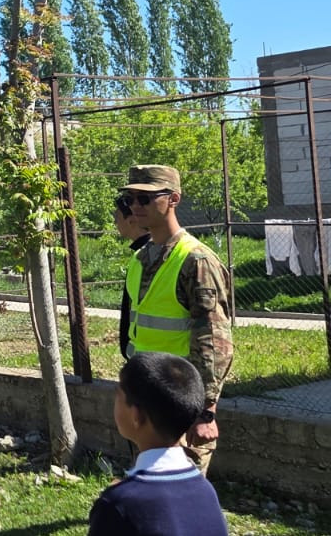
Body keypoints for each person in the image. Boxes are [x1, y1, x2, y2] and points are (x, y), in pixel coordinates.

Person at [119, 165, 233, 474]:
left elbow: (214, 340)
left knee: (181, 497)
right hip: (145, 395)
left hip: (181, 399)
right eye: (130, 199)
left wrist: (206, 411)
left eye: (145, 199)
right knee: (148, 489)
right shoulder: (140, 258)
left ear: (173, 199)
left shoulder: (196, 260)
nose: (134, 207)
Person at [87, 352, 228, 536]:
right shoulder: (206, 491)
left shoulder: (118, 504)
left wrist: (114, 500)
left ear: (136, 416)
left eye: (118, 395)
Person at [113, 198, 151, 360]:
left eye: (117, 218)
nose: (115, 223)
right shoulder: (141, 254)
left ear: (131, 220)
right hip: (143, 359)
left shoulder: (148, 256)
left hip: (154, 362)